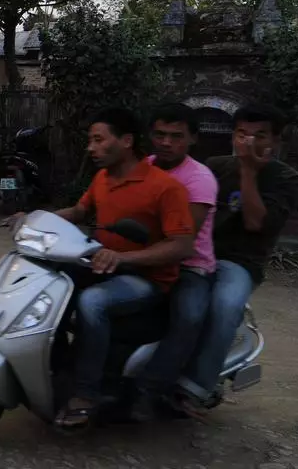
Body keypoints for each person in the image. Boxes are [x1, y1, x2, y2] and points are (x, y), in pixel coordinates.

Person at [49, 107, 194, 431]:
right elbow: (79, 210)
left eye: (98, 140)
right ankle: (58, 367)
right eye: (91, 140)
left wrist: (123, 258)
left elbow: (182, 245)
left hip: (147, 278)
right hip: (105, 265)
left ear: (126, 141)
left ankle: (87, 394)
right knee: (49, 282)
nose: (91, 148)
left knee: (93, 302)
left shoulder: (164, 188)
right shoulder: (102, 178)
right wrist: (32, 218)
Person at [175, 103, 298, 414]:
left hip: (241, 262)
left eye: (260, 136)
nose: (249, 142)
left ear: (275, 141)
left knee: (225, 306)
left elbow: (256, 223)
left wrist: (248, 170)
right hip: (197, 252)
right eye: (242, 134)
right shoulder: (216, 165)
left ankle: (195, 387)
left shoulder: (286, 178)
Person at [129, 103, 219, 421]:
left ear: (192, 138)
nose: (167, 143)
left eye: (176, 136)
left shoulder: (199, 179)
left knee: (190, 316)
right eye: (160, 135)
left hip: (189, 266)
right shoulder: (144, 166)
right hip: (147, 257)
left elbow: (183, 242)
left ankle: (150, 390)